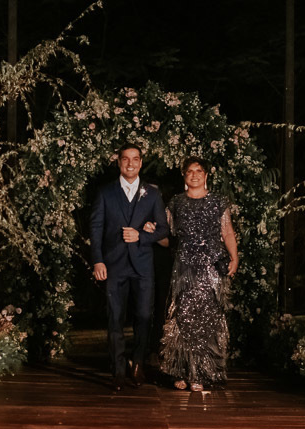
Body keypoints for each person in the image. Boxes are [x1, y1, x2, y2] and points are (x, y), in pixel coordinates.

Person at [155, 157, 238, 392]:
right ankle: (180, 371)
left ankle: (202, 373)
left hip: (211, 267)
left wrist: (235, 257)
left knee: (208, 319)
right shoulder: (176, 203)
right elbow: (164, 237)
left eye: (198, 171)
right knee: (182, 317)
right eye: (189, 171)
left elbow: (227, 232)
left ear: (206, 175)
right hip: (184, 267)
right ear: (184, 176)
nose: (194, 175)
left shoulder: (218, 202)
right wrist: (150, 231)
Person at [90, 144, 168, 391]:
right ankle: (118, 370)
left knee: (144, 317)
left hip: (143, 265)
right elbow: (96, 229)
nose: (130, 164)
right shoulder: (105, 193)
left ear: (141, 163)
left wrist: (142, 237)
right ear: (119, 163)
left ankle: (138, 364)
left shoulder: (152, 194)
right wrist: (98, 260)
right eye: (126, 159)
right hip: (114, 265)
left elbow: (165, 230)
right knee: (115, 318)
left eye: (135, 159)